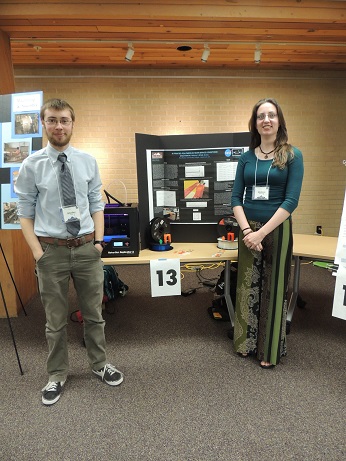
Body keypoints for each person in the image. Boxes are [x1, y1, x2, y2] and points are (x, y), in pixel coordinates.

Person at [15, 98, 124, 405]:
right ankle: (57, 375)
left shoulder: (88, 161)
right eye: (52, 120)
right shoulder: (31, 165)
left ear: (73, 124)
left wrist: (99, 243)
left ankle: (100, 365)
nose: (59, 126)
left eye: (64, 120)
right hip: (51, 252)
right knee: (54, 320)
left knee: (94, 313)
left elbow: (96, 204)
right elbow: (24, 213)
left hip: (87, 248)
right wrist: (38, 253)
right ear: (43, 124)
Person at [231, 97, 304, 369]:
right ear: (255, 123)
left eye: (271, 115)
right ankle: (245, 343)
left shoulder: (292, 156)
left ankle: (269, 350)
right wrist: (248, 230)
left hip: (278, 229)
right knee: (246, 286)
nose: (266, 120)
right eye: (261, 116)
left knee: (273, 289)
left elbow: (291, 201)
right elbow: (236, 198)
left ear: (279, 121)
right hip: (248, 229)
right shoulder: (246, 158)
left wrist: (261, 234)